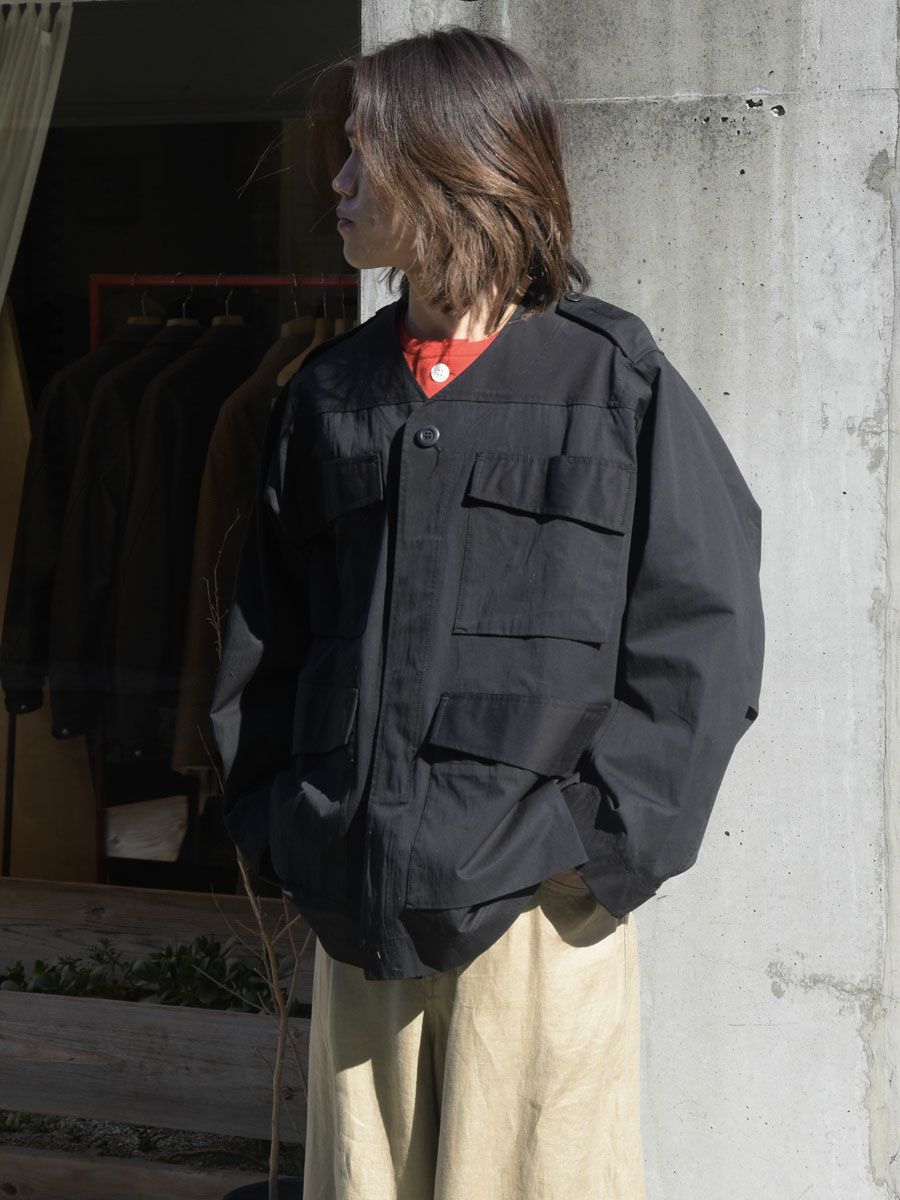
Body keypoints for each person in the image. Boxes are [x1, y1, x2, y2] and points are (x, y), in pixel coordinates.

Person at [210, 24, 765, 1200]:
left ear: (451, 163)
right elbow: (267, 636)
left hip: (537, 925)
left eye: (363, 153)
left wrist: (592, 850)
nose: (337, 182)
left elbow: (701, 634)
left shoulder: (610, 382)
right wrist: (288, 823)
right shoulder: (330, 396)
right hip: (362, 917)